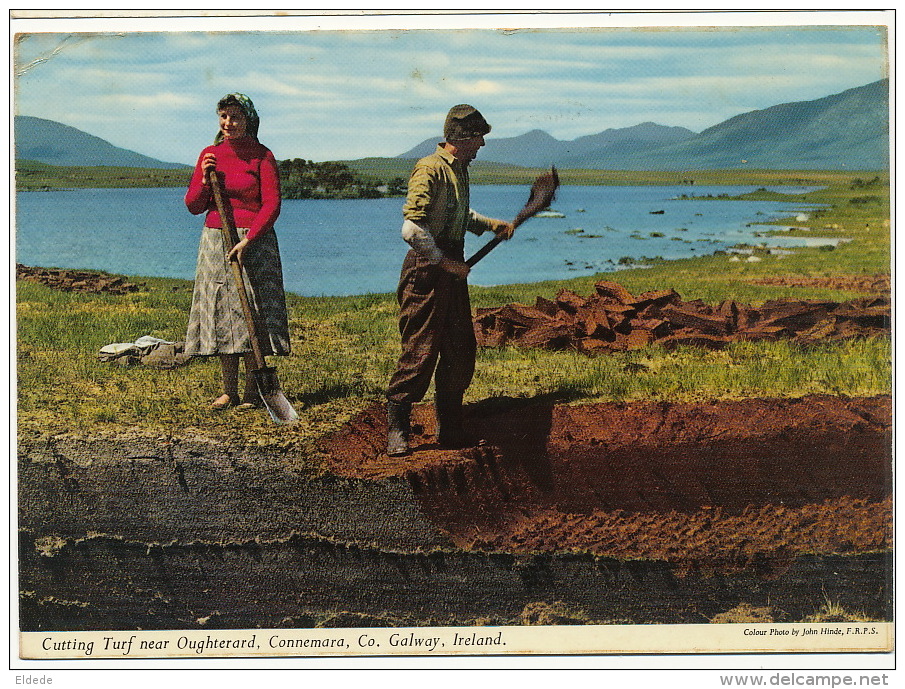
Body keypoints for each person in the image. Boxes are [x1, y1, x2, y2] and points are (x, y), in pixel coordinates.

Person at [385, 104, 515, 456]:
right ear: (463, 138)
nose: (483, 146)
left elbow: (459, 213)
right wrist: (445, 263)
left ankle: (451, 428)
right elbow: (412, 228)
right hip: (427, 271)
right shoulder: (429, 170)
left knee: (460, 349)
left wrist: (491, 225)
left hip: (450, 267)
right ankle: (397, 428)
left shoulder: (459, 169)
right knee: (420, 352)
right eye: (479, 138)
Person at [184, 93, 291, 410]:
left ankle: (251, 393)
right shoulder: (210, 155)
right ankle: (229, 391)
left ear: (249, 121)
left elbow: (272, 204)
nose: (228, 123)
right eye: (223, 116)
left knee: (251, 316)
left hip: (254, 242)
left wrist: (250, 239)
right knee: (223, 315)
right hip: (216, 240)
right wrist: (205, 179)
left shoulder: (262, 156)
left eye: (235, 117)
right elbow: (193, 206)